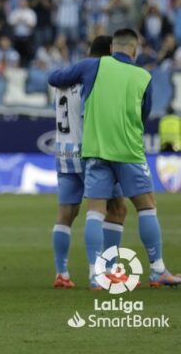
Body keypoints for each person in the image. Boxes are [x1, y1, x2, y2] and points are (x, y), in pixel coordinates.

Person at [48, 28, 181, 288]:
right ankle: (157, 270)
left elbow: (55, 77)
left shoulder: (93, 66)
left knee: (95, 212)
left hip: (94, 149)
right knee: (146, 206)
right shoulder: (143, 76)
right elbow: (144, 115)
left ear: (112, 48)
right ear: (136, 48)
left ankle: (95, 275)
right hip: (127, 149)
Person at [49, 35, 127, 289]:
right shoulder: (95, 77)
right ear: (110, 53)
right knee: (115, 209)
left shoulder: (64, 80)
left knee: (66, 214)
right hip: (88, 149)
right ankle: (107, 271)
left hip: (63, 150)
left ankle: (62, 273)